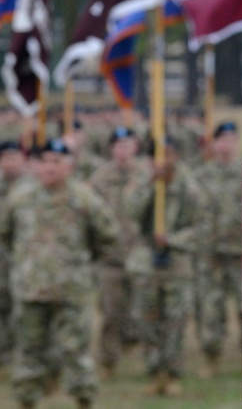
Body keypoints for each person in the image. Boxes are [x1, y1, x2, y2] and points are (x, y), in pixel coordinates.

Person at [0, 138, 118, 409]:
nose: (50, 168)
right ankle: (27, 400)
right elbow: (0, 235)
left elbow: (107, 234)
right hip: (30, 289)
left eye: (57, 162)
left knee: (76, 351)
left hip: (72, 289)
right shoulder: (21, 197)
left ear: (69, 166)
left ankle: (83, 399)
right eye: (45, 161)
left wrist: (83, 262)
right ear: (36, 166)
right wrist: (22, 262)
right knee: (29, 351)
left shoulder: (83, 198)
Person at [124, 137, 203, 396]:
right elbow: (130, 212)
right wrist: (150, 185)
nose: (163, 161)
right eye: (158, 155)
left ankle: (171, 373)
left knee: (175, 320)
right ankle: (153, 371)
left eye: (168, 154)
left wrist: (173, 240)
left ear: (176, 156)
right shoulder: (143, 181)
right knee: (146, 319)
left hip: (177, 264)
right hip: (146, 262)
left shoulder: (189, 187)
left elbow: (201, 227)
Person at [88, 125, 148, 378]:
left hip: (141, 254)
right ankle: (108, 361)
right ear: (112, 149)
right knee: (111, 312)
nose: (123, 151)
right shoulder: (99, 179)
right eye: (118, 146)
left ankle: (147, 359)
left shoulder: (147, 176)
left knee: (142, 310)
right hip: (111, 257)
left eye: (128, 145)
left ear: (135, 147)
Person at [195, 121, 242, 377]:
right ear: (213, 144)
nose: (225, 145)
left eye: (230, 139)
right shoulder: (200, 176)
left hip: (241, 253)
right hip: (210, 253)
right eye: (221, 139)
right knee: (211, 308)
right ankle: (210, 357)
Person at [0, 140, 30, 378]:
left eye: (15, 158)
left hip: (30, 263)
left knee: (26, 313)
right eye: (6, 159)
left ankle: (24, 359)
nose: (11, 163)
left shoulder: (32, 188)